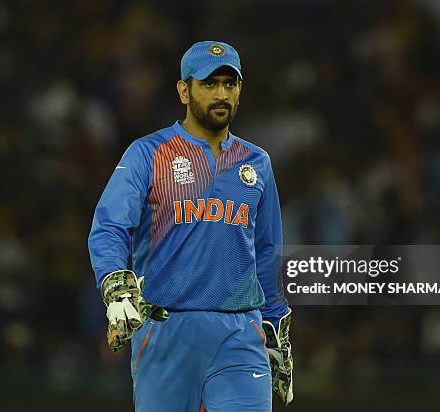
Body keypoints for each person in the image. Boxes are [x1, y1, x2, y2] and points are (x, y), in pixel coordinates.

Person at [88, 40, 293, 412]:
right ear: (184, 90)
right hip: (165, 332)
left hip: (240, 335)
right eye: (209, 83)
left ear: (240, 90)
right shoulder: (147, 153)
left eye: (229, 84)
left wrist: (276, 325)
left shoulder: (257, 162)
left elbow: (267, 251)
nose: (221, 94)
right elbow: (109, 227)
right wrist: (115, 284)